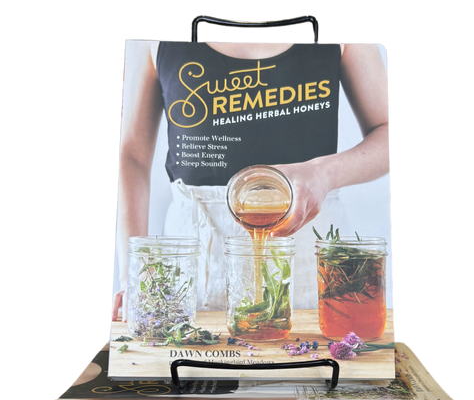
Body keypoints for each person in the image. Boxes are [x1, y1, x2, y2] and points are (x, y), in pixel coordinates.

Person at [113, 39, 389, 320]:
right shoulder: (148, 41)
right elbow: (132, 156)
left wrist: (324, 173)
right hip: (193, 257)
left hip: (311, 254)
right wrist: (133, 273)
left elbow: (386, 133)